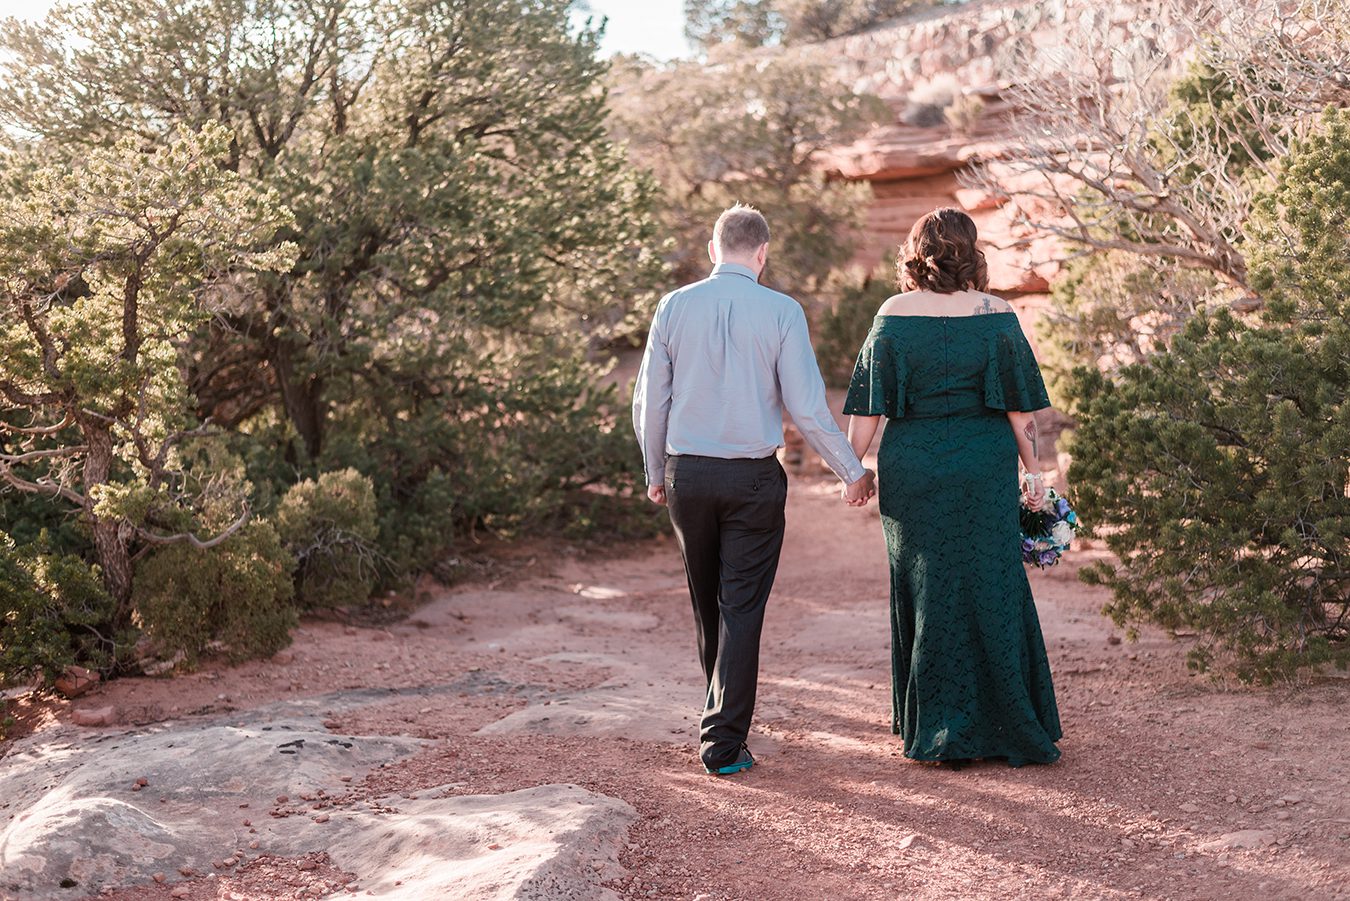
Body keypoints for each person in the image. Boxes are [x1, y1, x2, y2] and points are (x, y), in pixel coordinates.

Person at [633, 203, 877, 776]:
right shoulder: (783, 311)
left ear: (714, 249)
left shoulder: (673, 306)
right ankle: (722, 743)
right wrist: (852, 471)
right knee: (739, 606)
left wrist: (653, 473)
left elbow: (650, 401)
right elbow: (807, 406)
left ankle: (721, 724)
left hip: (687, 473)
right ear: (762, 254)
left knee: (706, 601)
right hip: (752, 479)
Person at [843, 207, 1062, 767]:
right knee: (994, 583)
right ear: (973, 253)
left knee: (925, 588)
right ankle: (1007, 723)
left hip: (913, 467)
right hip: (983, 466)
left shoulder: (892, 313)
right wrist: (1036, 473)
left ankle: (937, 728)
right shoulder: (997, 313)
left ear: (916, 253)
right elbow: (1022, 409)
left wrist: (853, 471)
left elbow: (869, 411)